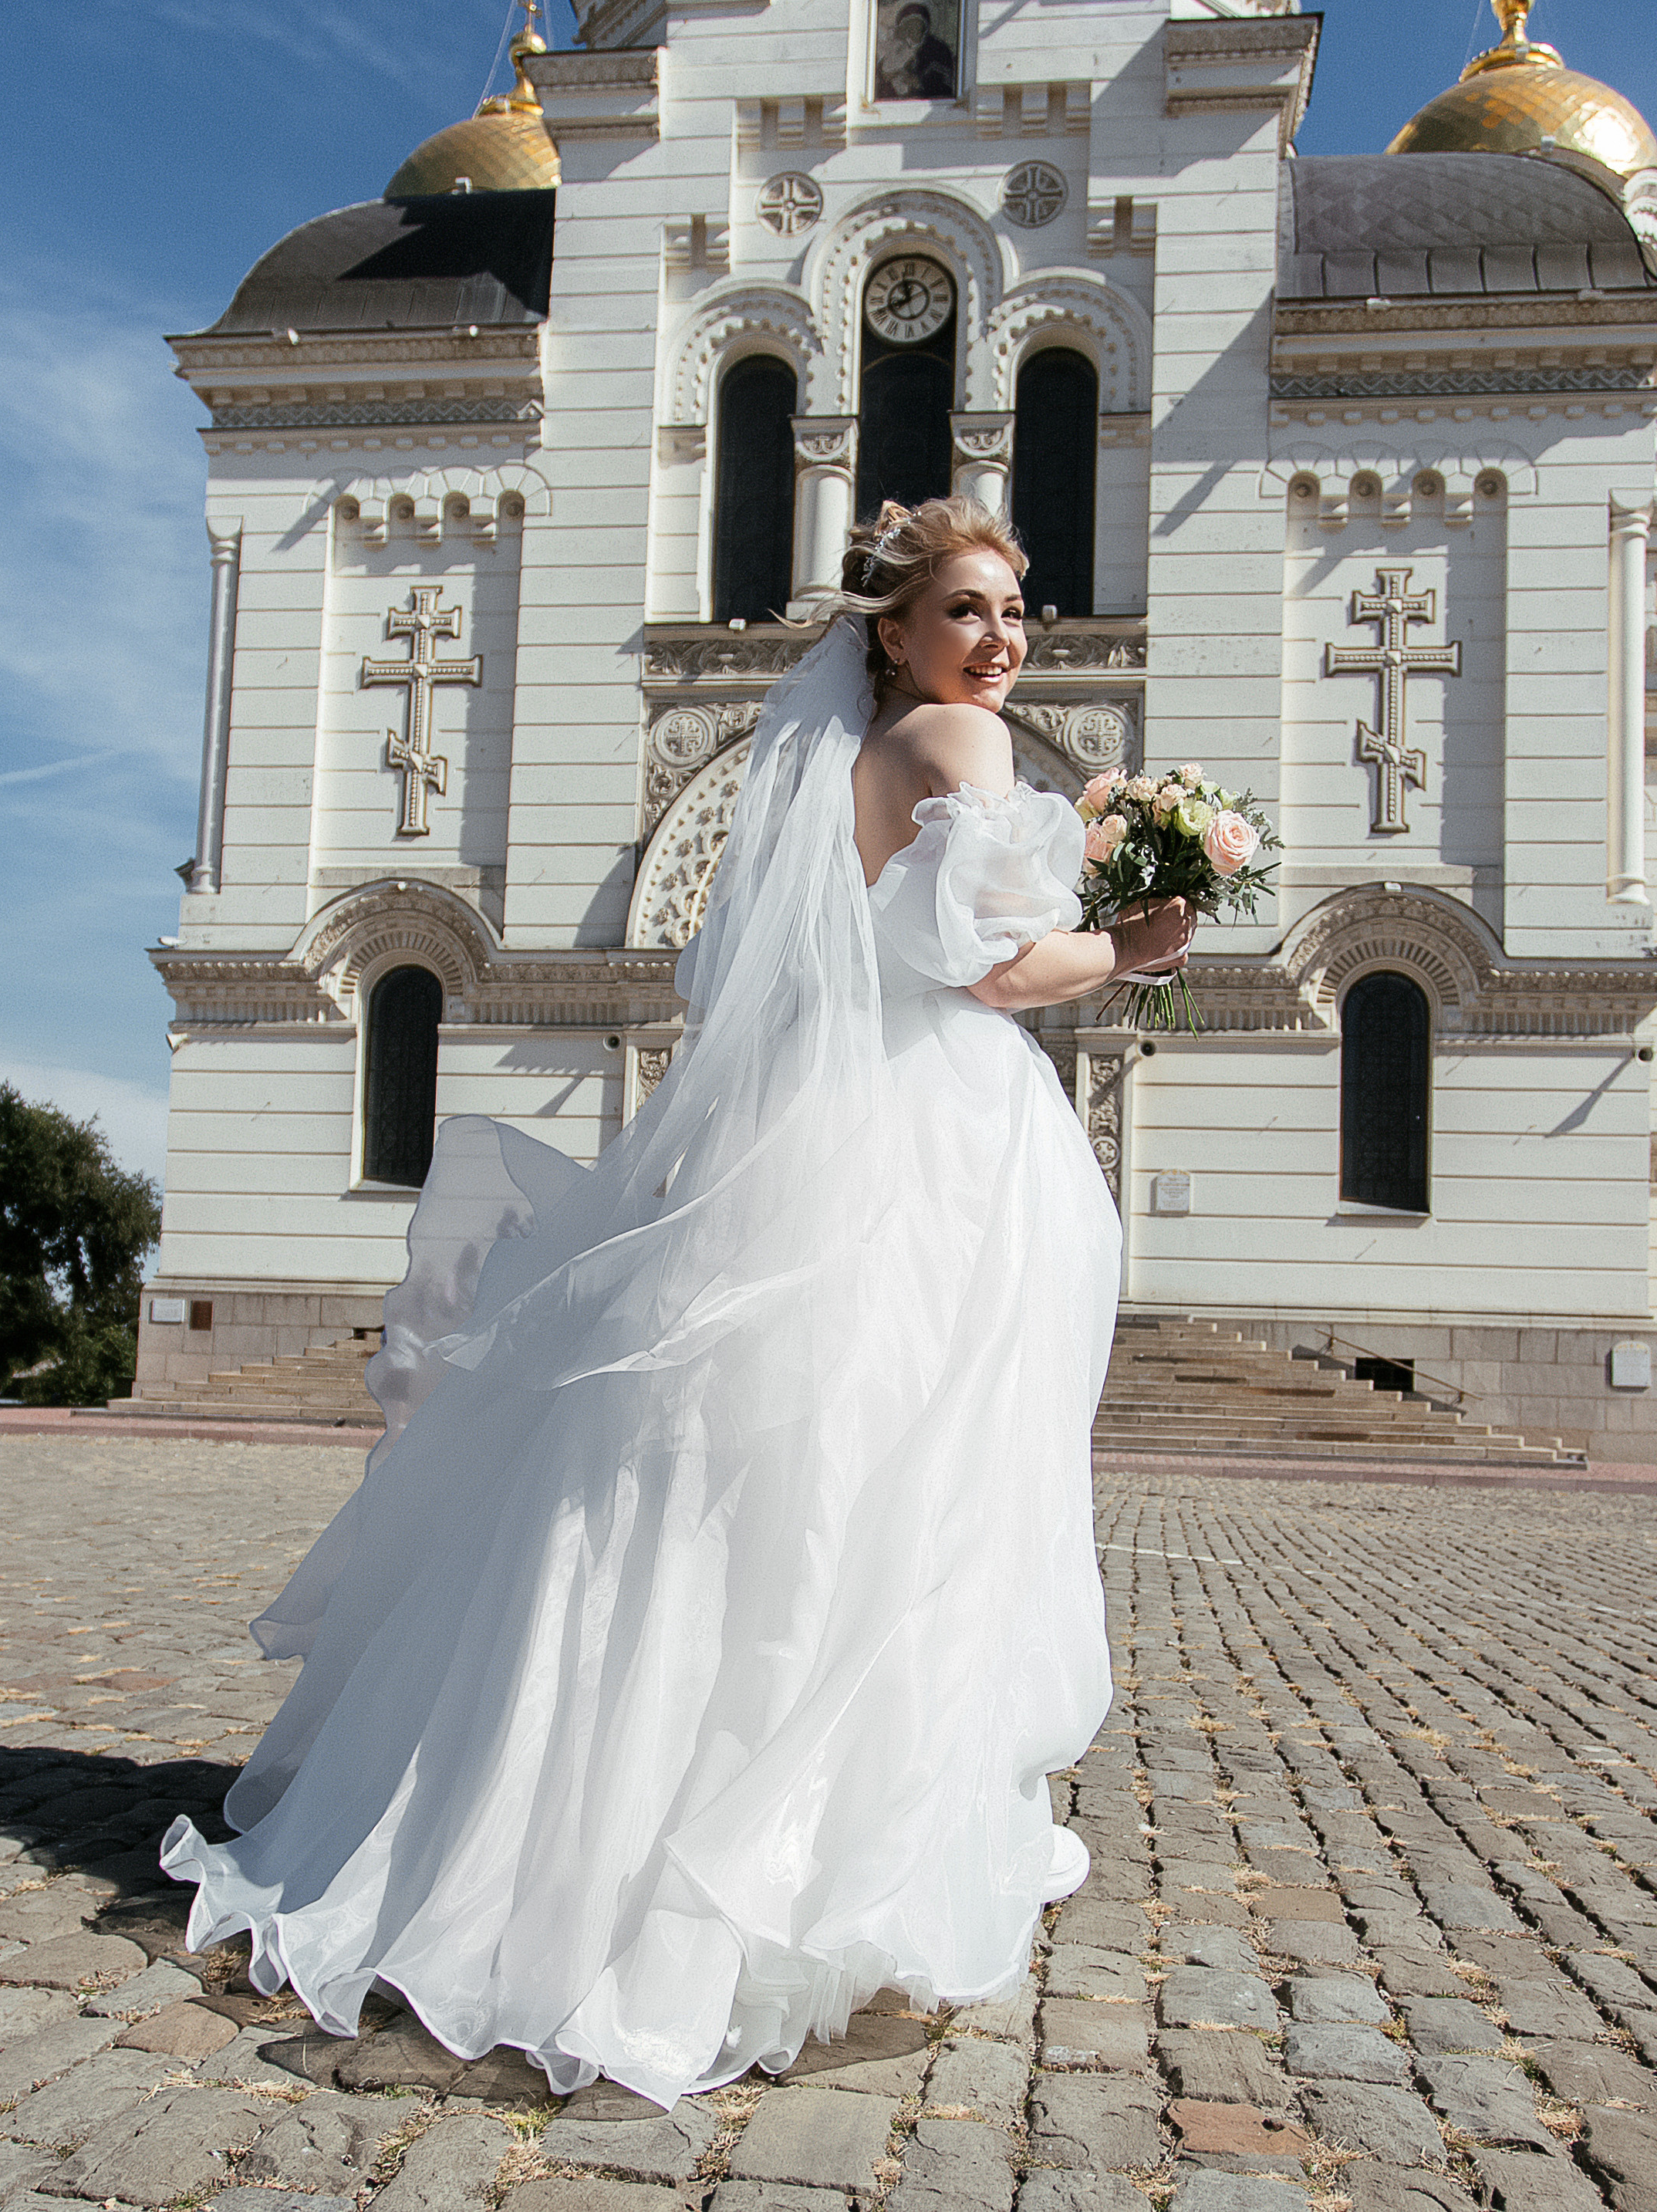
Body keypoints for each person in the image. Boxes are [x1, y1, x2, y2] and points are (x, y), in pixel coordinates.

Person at [160, 494, 1196, 2112]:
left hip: (834, 1122)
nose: (1003, 639)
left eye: (1017, 610)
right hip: (932, 1140)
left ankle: (585, 1809)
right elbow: (990, 971)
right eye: (970, 611)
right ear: (894, 631)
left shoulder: (857, 760)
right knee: (893, 1471)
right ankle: (802, 1848)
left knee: (757, 1462)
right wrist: (1131, 942)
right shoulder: (959, 748)